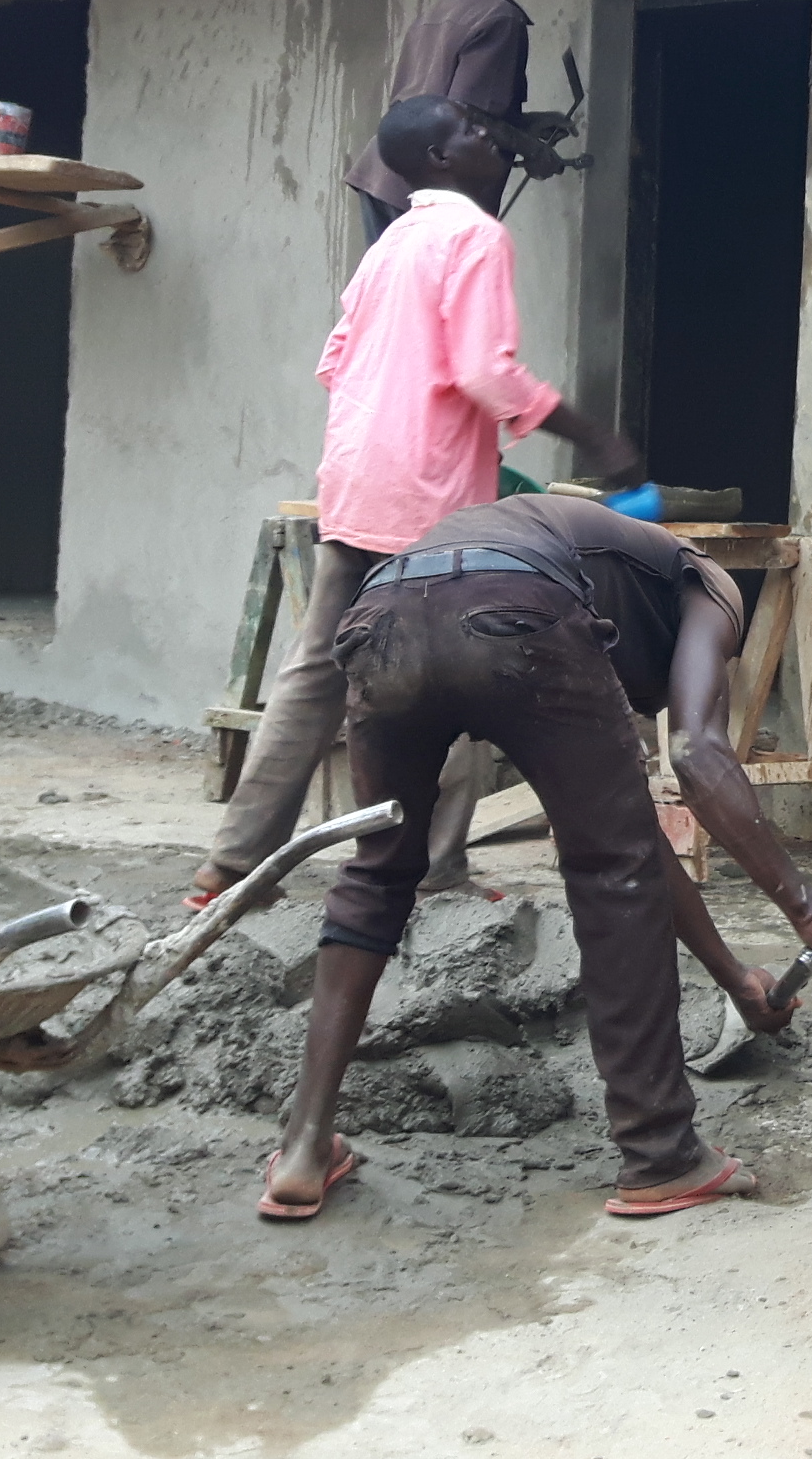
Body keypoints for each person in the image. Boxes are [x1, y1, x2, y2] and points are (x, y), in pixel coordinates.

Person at [254, 488, 812, 1221]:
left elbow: (635, 836)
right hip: (512, 607)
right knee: (609, 877)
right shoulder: (708, 583)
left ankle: (302, 1149)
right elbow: (697, 753)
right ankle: (660, 1155)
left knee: (379, 870)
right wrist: (803, 904)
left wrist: (736, 979)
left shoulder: (586, 564)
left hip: (382, 610)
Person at [190, 93, 645, 909]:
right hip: (427, 491)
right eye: (470, 132)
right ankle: (436, 870)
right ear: (440, 160)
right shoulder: (475, 235)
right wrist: (588, 435)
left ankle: (232, 864)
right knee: (458, 661)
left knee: (317, 672)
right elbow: (482, 370)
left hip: (357, 478)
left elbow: (336, 360)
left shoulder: (390, 243)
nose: (490, 137)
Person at [343, 0, 577, 244]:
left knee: (397, 294)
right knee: (431, 295)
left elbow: (436, 103)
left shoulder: (434, 13)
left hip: (387, 175)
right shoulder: (500, 18)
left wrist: (531, 123)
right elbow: (464, 115)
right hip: (429, 189)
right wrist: (534, 151)